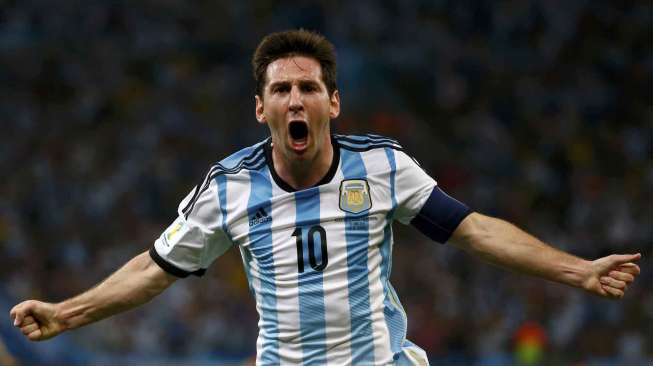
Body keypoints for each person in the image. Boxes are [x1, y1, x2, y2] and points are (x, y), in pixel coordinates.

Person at [10, 29, 641, 365]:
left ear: (332, 102)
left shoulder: (382, 166)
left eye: (308, 87)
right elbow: (154, 266)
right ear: (261, 108)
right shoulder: (228, 187)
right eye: (281, 89)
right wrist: (66, 315)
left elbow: (473, 228)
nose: (295, 99)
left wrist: (579, 270)